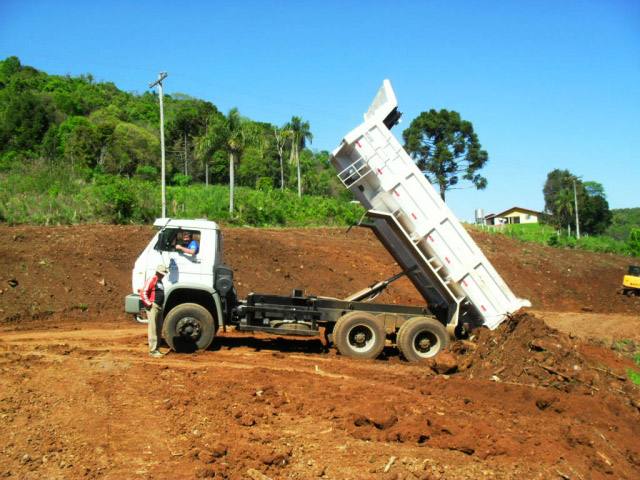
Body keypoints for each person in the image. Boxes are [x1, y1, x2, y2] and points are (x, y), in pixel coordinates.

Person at [141, 264, 169, 358]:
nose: (163, 275)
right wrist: (149, 304)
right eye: (162, 273)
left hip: (159, 306)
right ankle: (153, 351)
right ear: (158, 272)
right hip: (153, 306)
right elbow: (143, 292)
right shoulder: (152, 279)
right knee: (153, 328)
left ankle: (157, 349)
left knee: (158, 328)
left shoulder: (159, 281)